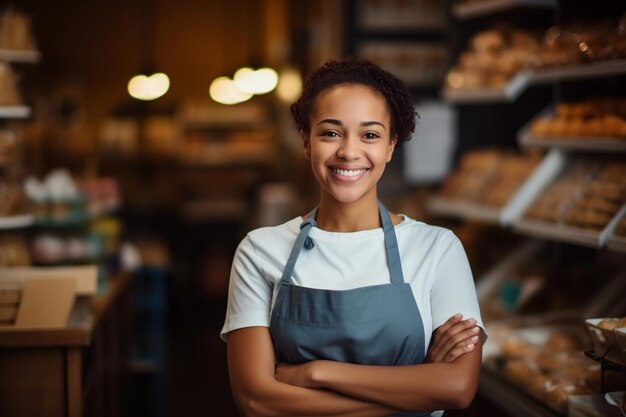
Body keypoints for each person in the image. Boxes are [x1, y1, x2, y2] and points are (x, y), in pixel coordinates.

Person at [221, 58, 486, 417]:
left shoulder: (438, 249)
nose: (348, 151)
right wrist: (416, 387)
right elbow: (257, 401)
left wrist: (316, 373)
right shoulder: (260, 250)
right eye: (330, 132)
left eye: (370, 135)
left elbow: (457, 388)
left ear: (391, 146)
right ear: (306, 142)